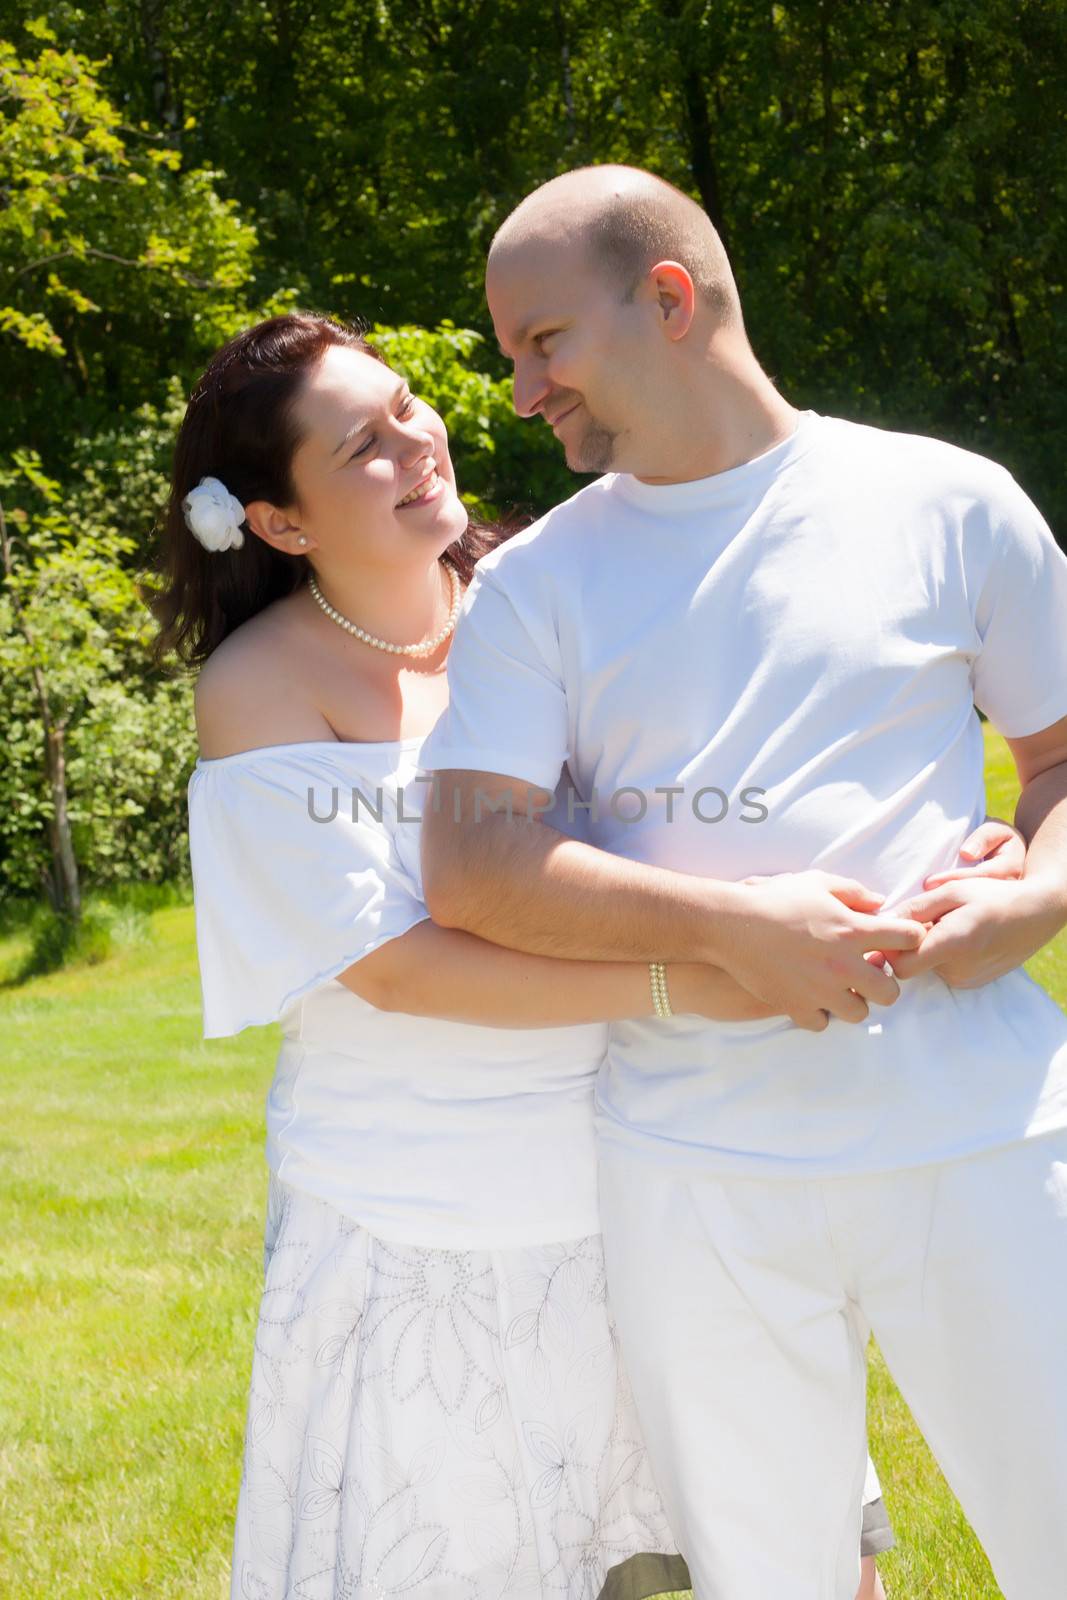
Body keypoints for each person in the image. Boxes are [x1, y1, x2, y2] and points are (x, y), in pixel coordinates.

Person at [154, 312, 957, 1598]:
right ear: (281, 524)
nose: (416, 441)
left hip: (653, 1150)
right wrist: (694, 970)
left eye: (406, 402)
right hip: (420, 1214)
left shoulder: (542, 586)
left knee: (795, 1549)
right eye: (362, 443)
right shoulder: (259, 688)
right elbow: (398, 969)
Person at [418, 165, 1067, 1600]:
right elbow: (467, 859)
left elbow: (1058, 758)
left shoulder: (949, 503)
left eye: (543, 343)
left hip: (984, 1131)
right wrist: (725, 928)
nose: (521, 392)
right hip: (693, 1172)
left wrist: (1032, 893)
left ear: (665, 301)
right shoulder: (535, 584)